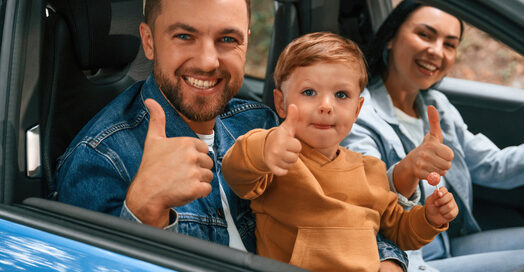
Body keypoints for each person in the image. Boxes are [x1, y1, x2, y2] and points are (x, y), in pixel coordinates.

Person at [55, 0, 410, 267]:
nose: (209, 61)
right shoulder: (101, 157)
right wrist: (143, 211)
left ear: (246, 43)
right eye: (184, 36)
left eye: (227, 39)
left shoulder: (262, 121)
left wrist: (389, 259)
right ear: (148, 42)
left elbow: (343, 209)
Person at [341, 1, 524, 271]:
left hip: (449, 243)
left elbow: (493, 167)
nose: (437, 51)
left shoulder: (437, 107)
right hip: (407, 259)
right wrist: (408, 170)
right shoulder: (360, 118)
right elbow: (366, 203)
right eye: (425, 35)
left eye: (449, 44)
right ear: (391, 38)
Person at [221, 32, 458, 272]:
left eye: (341, 95)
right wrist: (266, 147)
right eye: (309, 92)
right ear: (280, 103)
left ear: (357, 109)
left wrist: (429, 219)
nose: (326, 106)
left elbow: (397, 230)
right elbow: (236, 172)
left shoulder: (371, 170)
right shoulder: (278, 159)